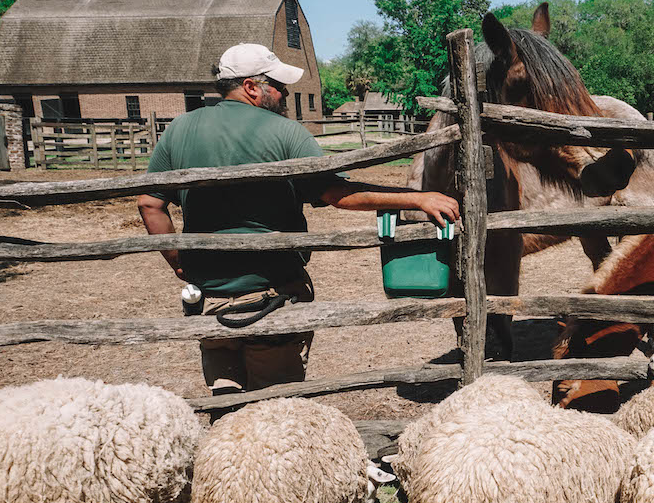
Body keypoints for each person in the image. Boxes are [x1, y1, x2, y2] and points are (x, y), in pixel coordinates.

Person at [138, 43, 459, 397]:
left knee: (225, 401)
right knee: (276, 409)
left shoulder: (179, 129)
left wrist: (179, 262)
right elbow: (337, 193)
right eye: (279, 85)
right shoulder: (284, 132)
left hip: (211, 303)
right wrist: (416, 197)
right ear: (251, 87)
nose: (286, 94)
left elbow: (150, 205)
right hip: (272, 298)